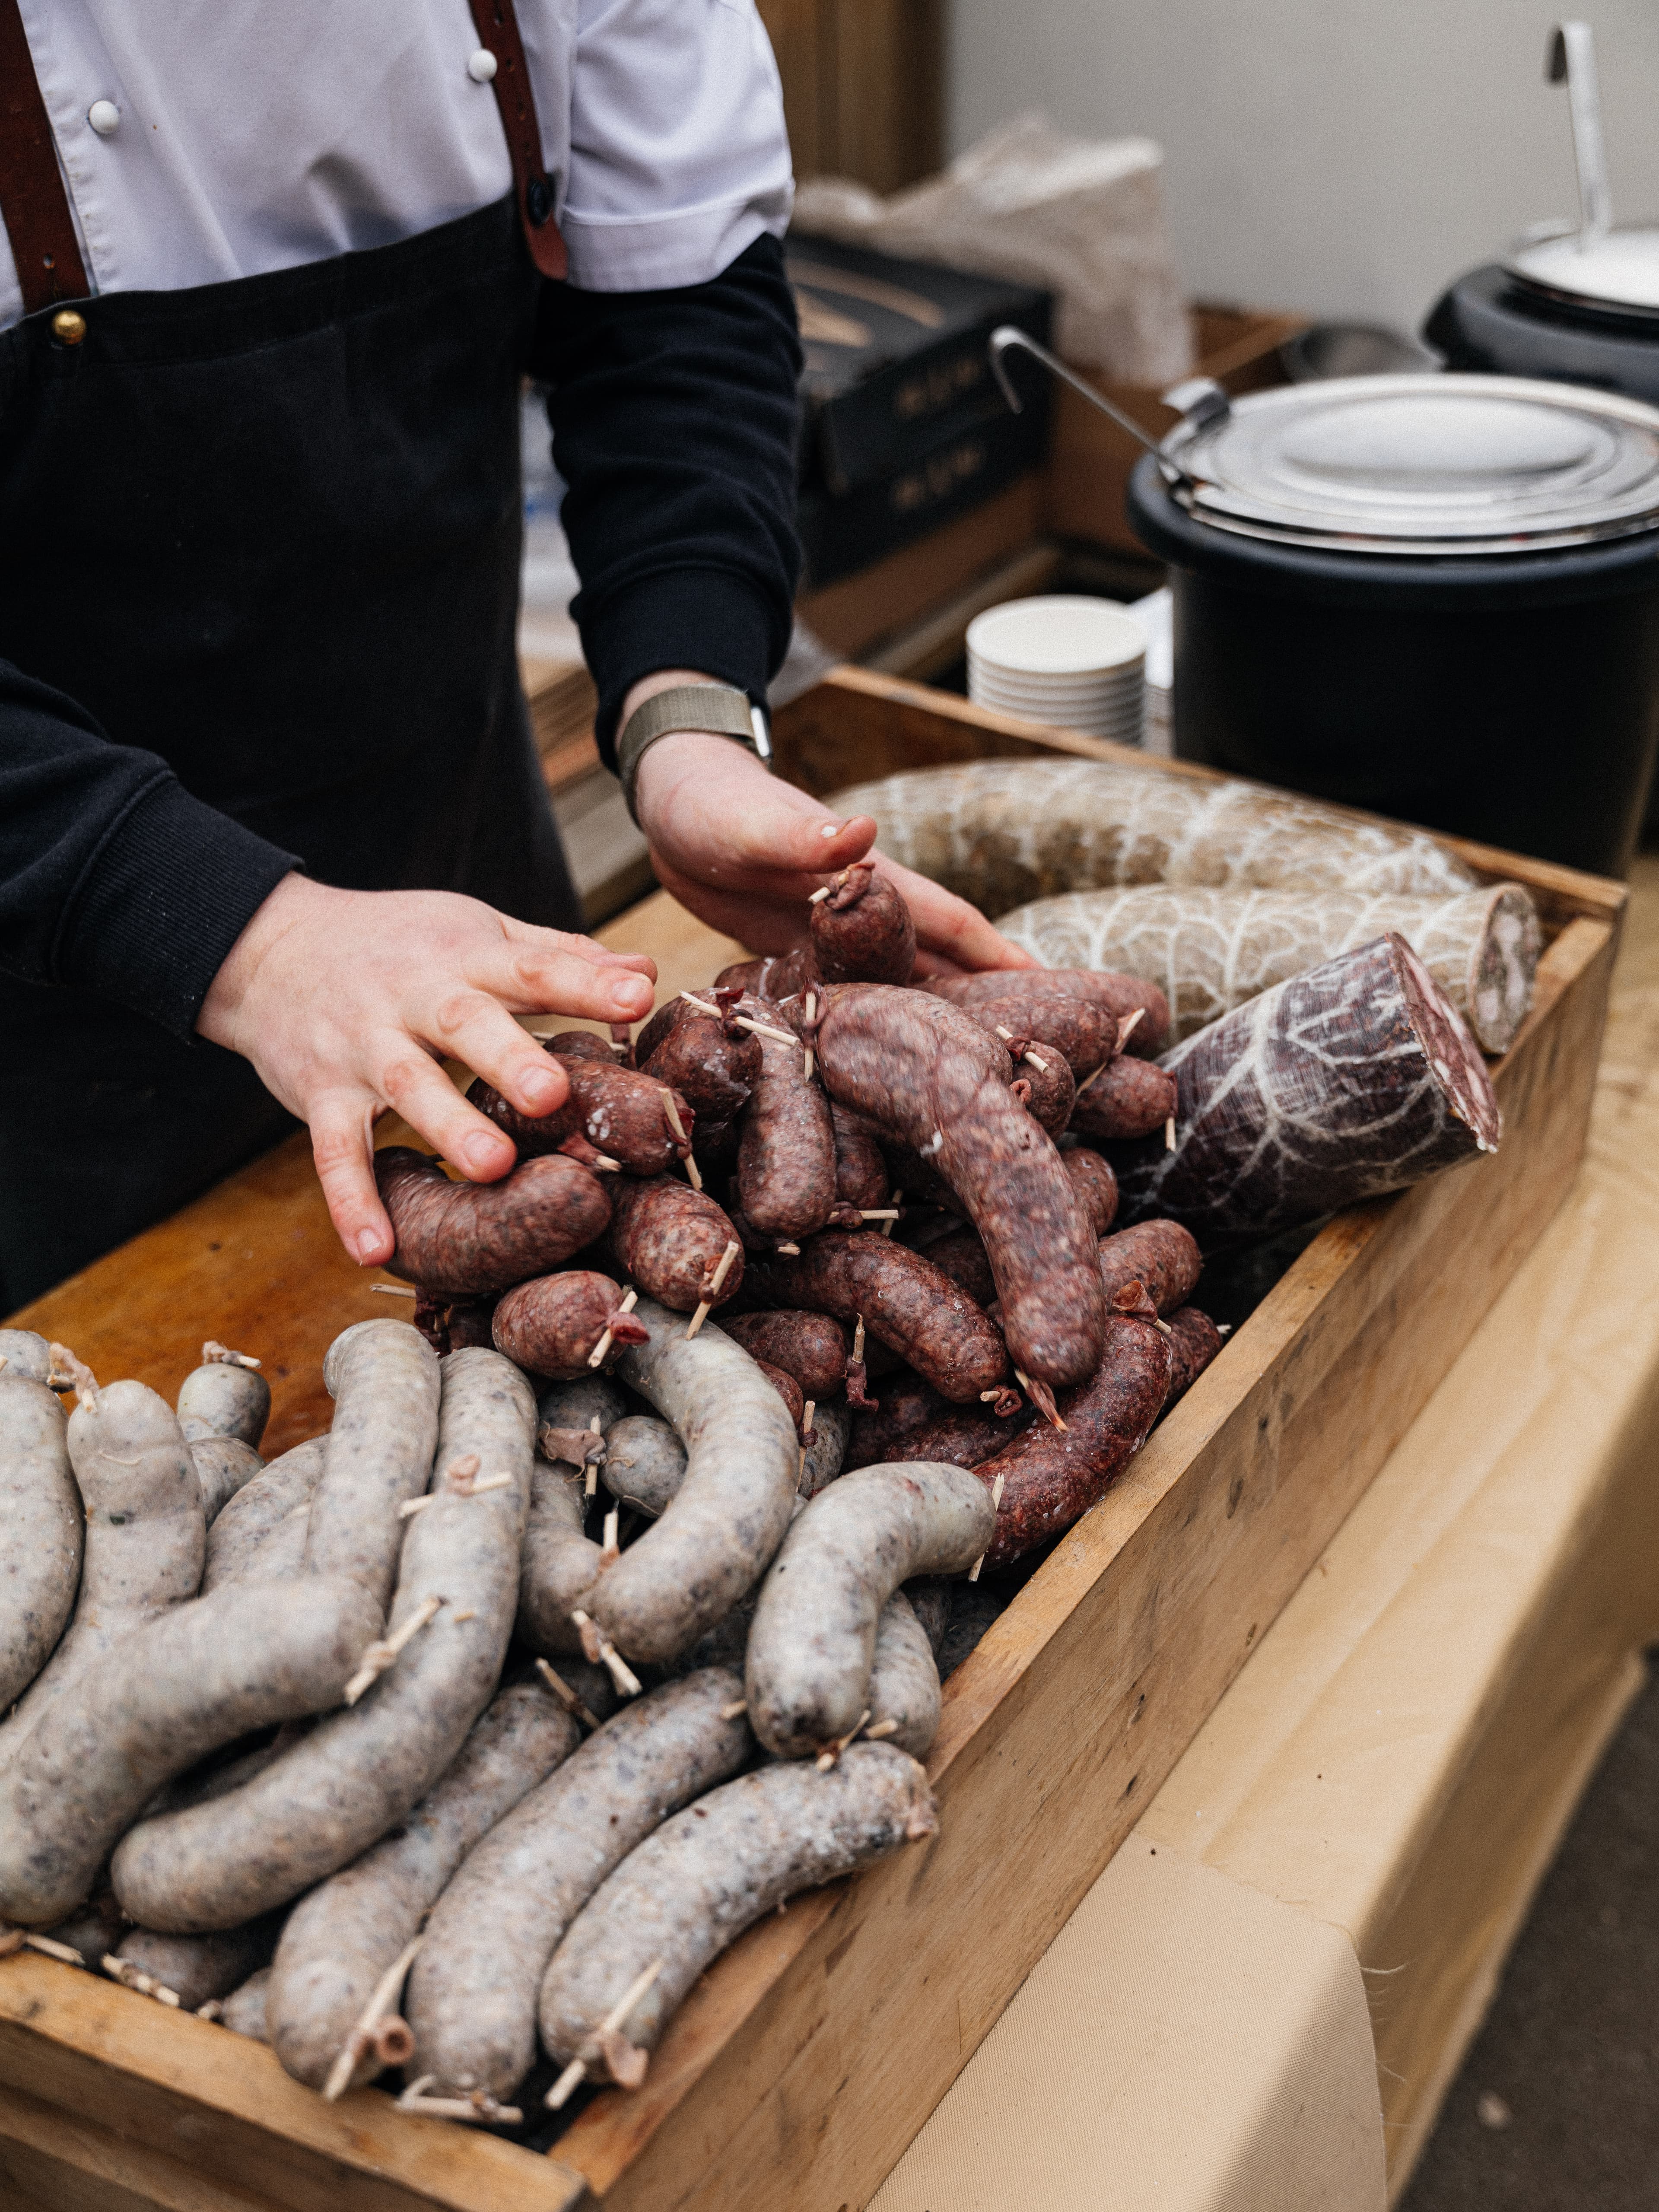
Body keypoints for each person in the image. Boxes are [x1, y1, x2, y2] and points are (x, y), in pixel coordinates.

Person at [0, 1, 1023, 1313]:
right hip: (35, 1032)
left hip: (466, 890)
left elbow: (676, 312)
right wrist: (245, 943)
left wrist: (687, 717)